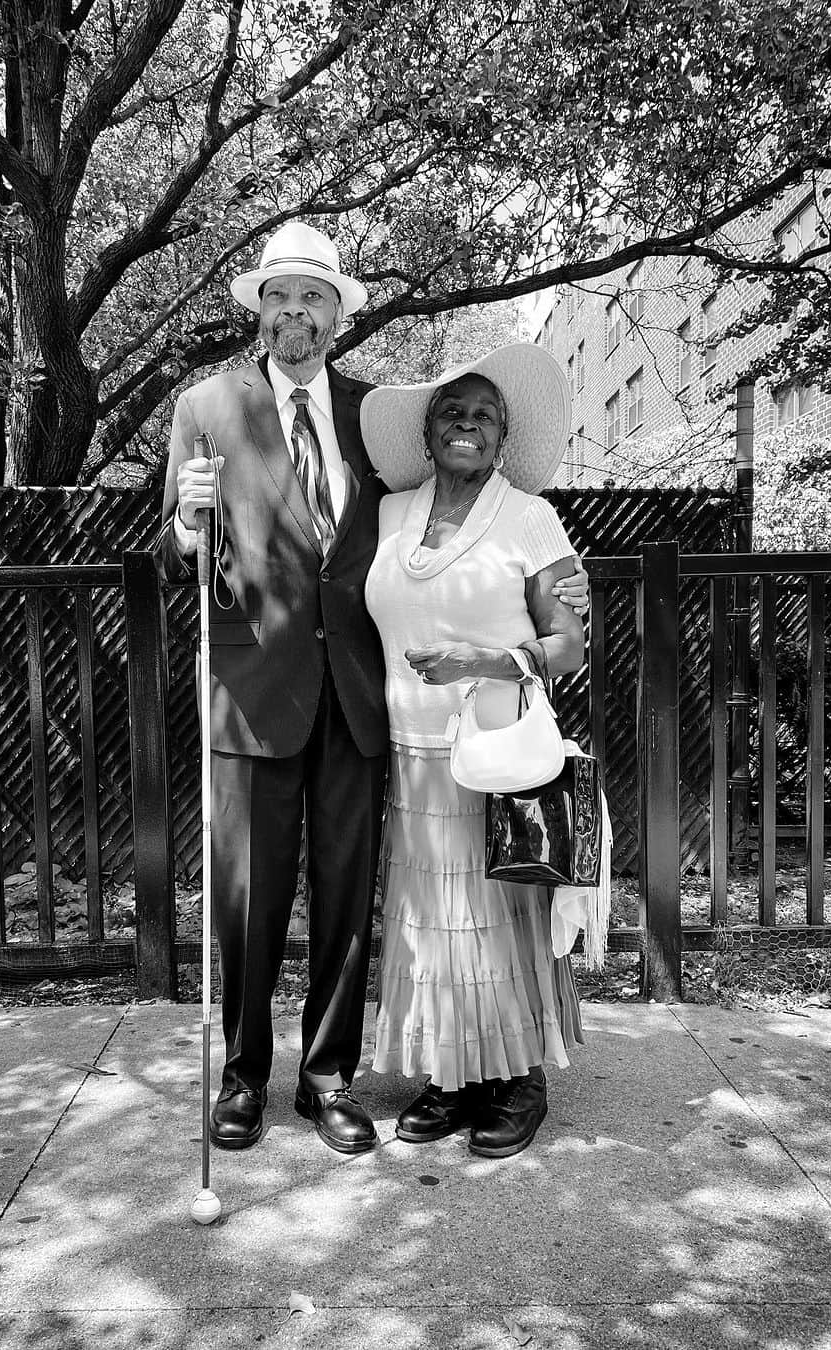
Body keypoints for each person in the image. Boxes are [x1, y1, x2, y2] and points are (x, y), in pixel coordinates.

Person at [162, 223, 589, 1156]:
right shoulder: (204, 408)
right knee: (248, 900)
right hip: (252, 698)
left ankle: (327, 1079)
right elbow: (174, 558)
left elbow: (414, 541)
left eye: (314, 297)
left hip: (361, 702)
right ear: (259, 307)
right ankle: (242, 1079)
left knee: (350, 901)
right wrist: (192, 528)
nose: (295, 312)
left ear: (338, 315)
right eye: (280, 294)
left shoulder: (369, 419)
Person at [360, 342, 586, 1159]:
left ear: (502, 436)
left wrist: (484, 660)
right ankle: (452, 1077)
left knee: (503, 919)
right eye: (451, 410)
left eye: (483, 414)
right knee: (432, 925)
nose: (467, 423)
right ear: (426, 431)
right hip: (410, 756)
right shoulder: (387, 515)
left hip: (498, 758)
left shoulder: (530, 516)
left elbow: (570, 645)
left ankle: (521, 1078)